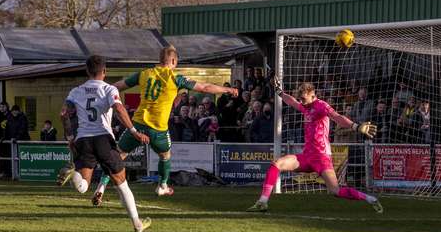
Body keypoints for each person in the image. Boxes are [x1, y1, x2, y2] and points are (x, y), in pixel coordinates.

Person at [95, 45, 239, 203]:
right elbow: (205, 87)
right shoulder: (176, 79)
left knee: (117, 156)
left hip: (137, 125)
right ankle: (162, 185)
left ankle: (101, 187)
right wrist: (228, 90)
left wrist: (98, 93)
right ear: (172, 61)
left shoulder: (144, 74)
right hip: (158, 129)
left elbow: (117, 86)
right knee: (165, 156)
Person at [248, 79, 382, 213]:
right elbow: (292, 102)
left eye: (303, 99)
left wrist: (356, 127)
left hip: (321, 157)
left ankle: (370, 199)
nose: (301, 102)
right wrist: (279, 92)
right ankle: (262, 202)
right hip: (307, 156)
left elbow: (337, 117)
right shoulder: (305, 106)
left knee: (336, 191)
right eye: (300, 99)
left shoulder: (321, 106)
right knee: (276, 164)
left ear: (312, 95)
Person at [56, 55, 151, 232]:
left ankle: (73, 173)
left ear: (87, 71)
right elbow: (119, 109)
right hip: (102, 140)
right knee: (122, 183)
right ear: (105, 72)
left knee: (83, 186)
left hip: (83, 140)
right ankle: (138, 224)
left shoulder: (75, 91)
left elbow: (64, 114)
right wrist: (133, 131)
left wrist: (69, 138)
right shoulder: (109, 89)